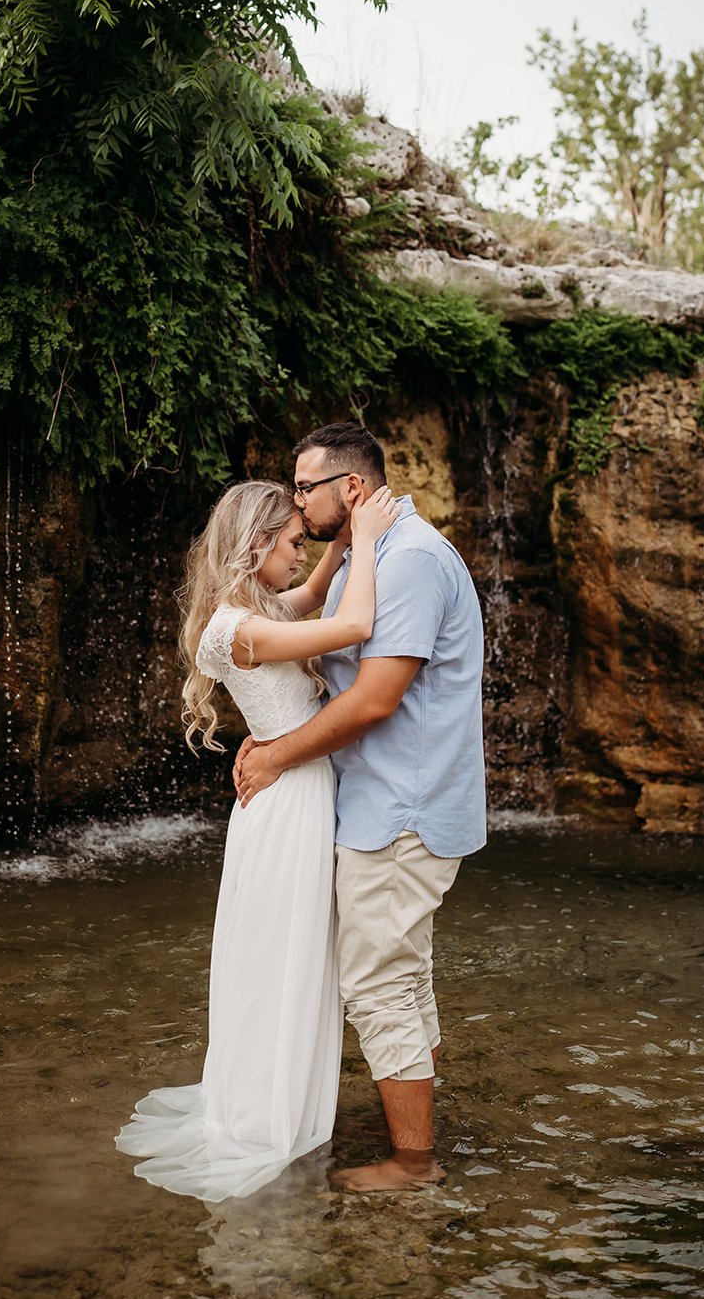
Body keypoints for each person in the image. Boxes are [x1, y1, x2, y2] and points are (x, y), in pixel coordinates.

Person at [114, 477, 399, 1201]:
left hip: (286, 793)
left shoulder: (247, 612)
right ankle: (268, 1114)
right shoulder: (242, 629)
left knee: (287, 952)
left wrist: (335, 551)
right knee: (287, 954)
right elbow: (355, 625)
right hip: (289, 803)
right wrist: (364, 543)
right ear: (255, 544)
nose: (301, 557)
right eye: (293, 543)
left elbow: (304, 602)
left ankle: (277, 1094)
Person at [235, 422, 486, 1194]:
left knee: (377, 982)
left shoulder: (407, 560)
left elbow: (376, 698)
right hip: (390, 803)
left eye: (305, 486)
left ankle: (413, 1164)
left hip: (399, 808)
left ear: (350, 487)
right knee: (403, 977)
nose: (296, 502)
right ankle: (412, 1126)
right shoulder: (374, 552)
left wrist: (277, 755)